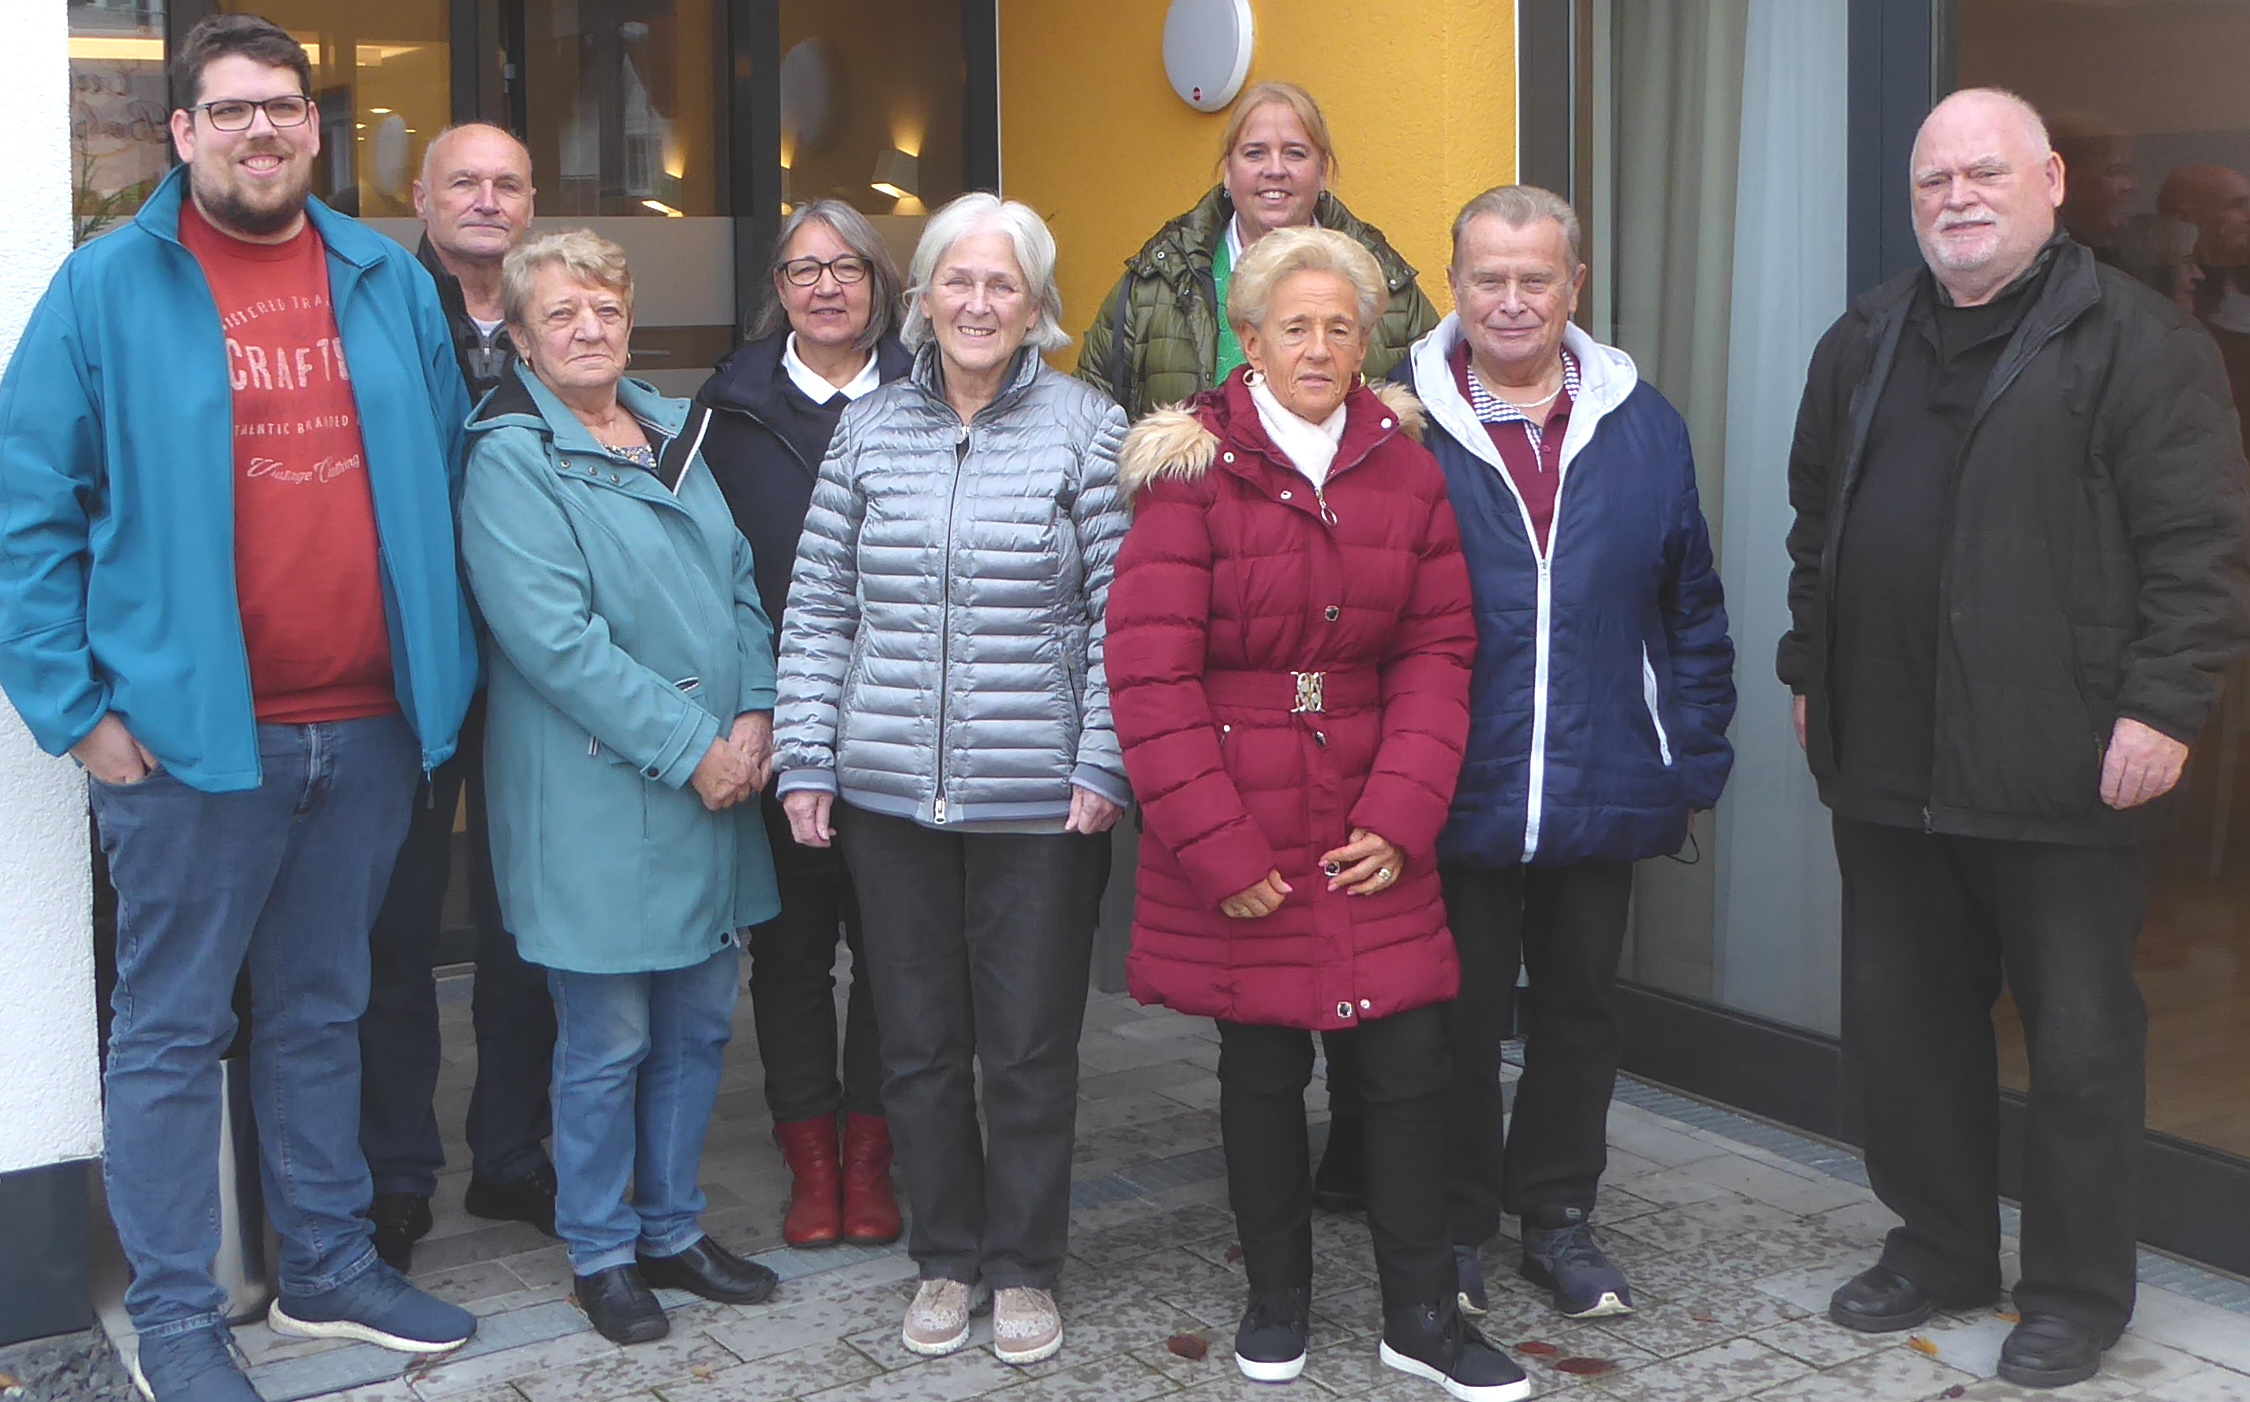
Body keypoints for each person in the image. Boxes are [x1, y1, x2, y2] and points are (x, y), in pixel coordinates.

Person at [0, 15, 482, 1399]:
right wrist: (73, 709)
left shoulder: (384, 277)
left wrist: (436, 680)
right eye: (231, 110)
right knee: (173, 1026)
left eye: (283, 107)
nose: (260, 130)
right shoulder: (105, 289)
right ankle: (177, 1315)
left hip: (371, 726)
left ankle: (323, 1266)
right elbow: (27, 511)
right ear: (183, 132)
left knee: (323, 1006)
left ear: (313, 128)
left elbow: (449, 476)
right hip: (190, 743)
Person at [1779, 88, 2250, 1390]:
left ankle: (2073, 1294)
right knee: (1909, 1025)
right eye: (1932, 180)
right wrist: (1810, 667)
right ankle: (1936, 1245)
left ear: (2047, 182)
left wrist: (2162, 705)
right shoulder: (1862, 337)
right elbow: (1814, 522)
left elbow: (2199, 551)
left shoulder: (2141, 344)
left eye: (1984, 172)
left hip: (2059, 762)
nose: (1955, 198)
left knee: (2081, 1045)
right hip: (1885, 759)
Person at [1108, 225, 1527, 1402]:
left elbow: (1445, 646)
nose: (1321, 345)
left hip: (1367, 809)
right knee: (1260, 1063)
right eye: (1295, 324)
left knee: (1405, 1061)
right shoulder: (1192, 473)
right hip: (1242, 814)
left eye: (1342, 325)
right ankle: (1277, 1296)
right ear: (1249, 338)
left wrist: (1402, 813)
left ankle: (1421, 1318)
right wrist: (1217, 848)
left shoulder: (1404, 464)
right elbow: (1149, 675)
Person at [773, 192, 1128, 1367]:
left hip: (1041, 800)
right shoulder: (869, 431)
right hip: (890, 798)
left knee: (1027, 1047)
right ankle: (946, 1254)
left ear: (1037, 307)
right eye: (956, 283)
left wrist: (1101, 761)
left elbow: (1126, 615)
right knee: (917, 1043)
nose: (978, 305)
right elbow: (821, 606)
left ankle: (1023, 1263)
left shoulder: (1088, 426)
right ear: (920, 299)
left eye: (1003, 286)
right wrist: (809, 754)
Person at [1398, 185, 1735, 1321]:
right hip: (1454, 781)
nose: (1509, 300)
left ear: (1573, 287)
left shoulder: (1645, 425)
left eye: (1533, 278)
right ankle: (1452, 1228)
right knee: (1453, 1012)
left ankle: (1557, 1218)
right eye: (1487, 276)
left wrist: (1693, 761)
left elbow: (1691, 607)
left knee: (1580, 1012)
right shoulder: (1401, 424)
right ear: (1454, 283)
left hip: (1604, 774)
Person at [459, 229, 783, 1345]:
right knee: (603, 1043)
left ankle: (673, 1229)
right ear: (521, 336)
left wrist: (755, 707)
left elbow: (741, 579)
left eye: (603, 308)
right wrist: (699, 744)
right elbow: (554, 642)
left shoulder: (671, 431)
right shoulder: (508, 454)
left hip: (716, 774)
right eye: (561, 314)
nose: (588, 328)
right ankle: (600, 1248)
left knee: (697, 1030)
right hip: (603, 791)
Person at [359, 120, 558, 1273]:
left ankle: (511, 1154)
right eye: (463, 183)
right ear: (421, 200)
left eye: (506, 183)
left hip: (534, 657)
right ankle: (394, 1172)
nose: (486, 201)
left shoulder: (556, 306)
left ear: (531, 202)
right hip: (409, 653)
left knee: (521, 914)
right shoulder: (378, 306)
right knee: (398, 919)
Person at [693, 200, 912, 1249]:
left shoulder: (932, 393)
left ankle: (870, 1156)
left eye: (847, 268)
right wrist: (749, 708)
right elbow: (700, 578)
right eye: (802, 270)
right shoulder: (726, 410)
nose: (826, 287)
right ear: (777, 291)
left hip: (910, 732)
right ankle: (810, 1162)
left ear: (880, 284)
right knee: (787, 955)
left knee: (893, 951)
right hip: (783, 728)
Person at [1077, 81, 1439, 423]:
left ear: (1322, 170)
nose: (1275, 170)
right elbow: (1092, 420)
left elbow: (1438, 422)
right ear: (1228, 171)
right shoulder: (1156, 280)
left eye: (1295, 154)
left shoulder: (1386, 288)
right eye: (1255, 153)